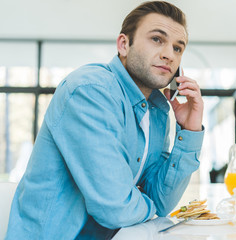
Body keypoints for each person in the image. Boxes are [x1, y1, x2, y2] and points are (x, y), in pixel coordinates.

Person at [6, 1, 204, 239]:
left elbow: (162, 200)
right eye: (156, 39)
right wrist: (147, 205)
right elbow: (115, 208)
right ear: (124, 45)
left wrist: (190, 130)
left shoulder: (158, 111)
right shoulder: (91, 91)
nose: (168, 55)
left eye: (178, 48)